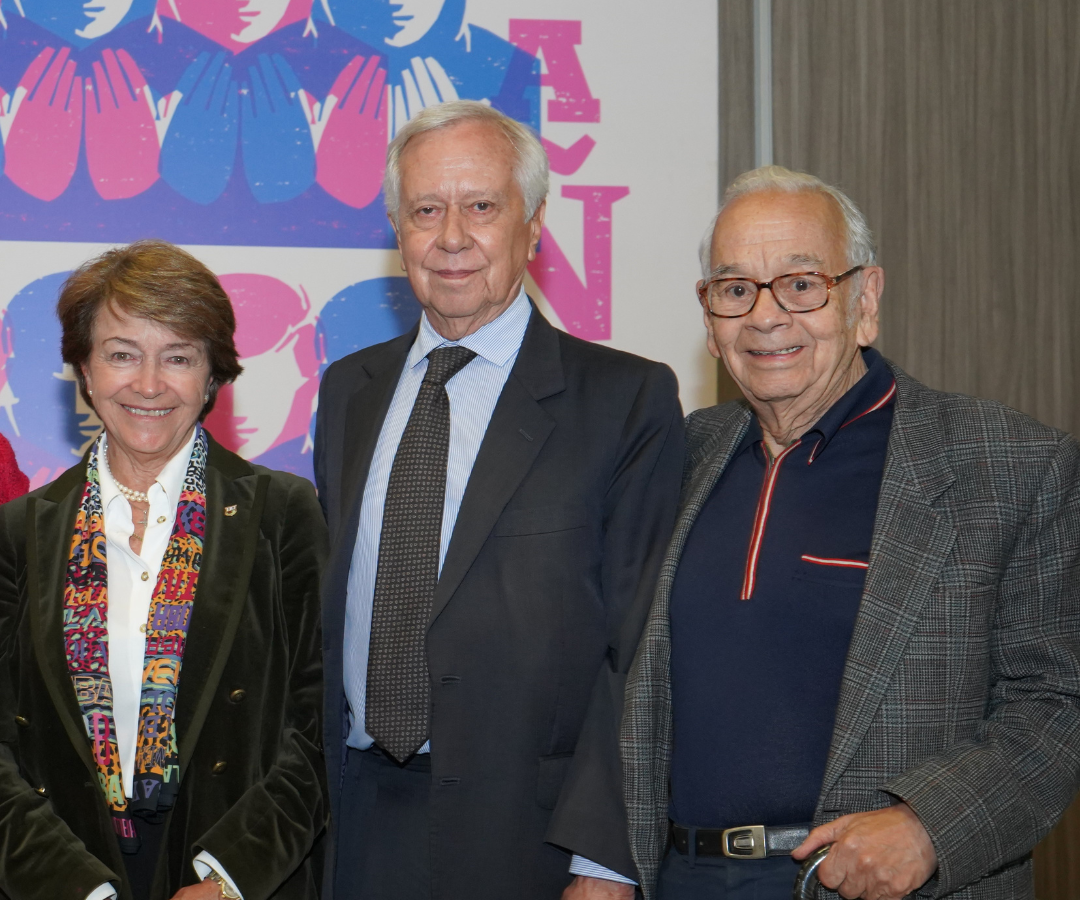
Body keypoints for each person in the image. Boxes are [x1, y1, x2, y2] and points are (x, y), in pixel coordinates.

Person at [620, 166, 1080, 900]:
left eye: (802, 283)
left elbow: (1060, 702)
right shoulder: (680, 456)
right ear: (709, 321)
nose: (766, 317)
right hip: (683, 878)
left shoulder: (1008, 465)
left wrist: (931, 825)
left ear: (865, 300)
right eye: (736, 289)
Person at [314, 100, 684, 900]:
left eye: (482, 206)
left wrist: (604, 857)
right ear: (397, 229)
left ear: (535, 223)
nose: (452, 237)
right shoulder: (350, 391)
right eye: (425, 210)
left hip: (533, 841)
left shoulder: (624, 399)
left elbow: (642, 648)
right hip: (355, 825)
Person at [0, 240, 328, 900]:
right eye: (122, 354)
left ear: (212, 376)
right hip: (68, 873)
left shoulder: (282, 515)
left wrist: (230, 878)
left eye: (177, 357)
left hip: (234, 876)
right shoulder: (20, 533)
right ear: (84, 371)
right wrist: (76, 888)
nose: (148, 384)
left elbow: (320, 728)